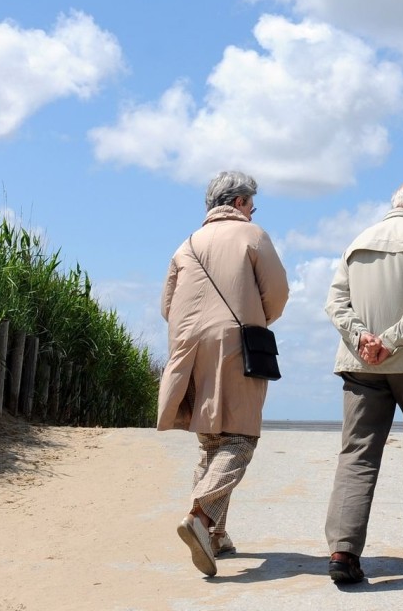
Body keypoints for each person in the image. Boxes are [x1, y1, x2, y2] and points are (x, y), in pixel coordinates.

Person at [157, 170, 290, 577]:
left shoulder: (187, 244)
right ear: (237, 203)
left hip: (188, 351)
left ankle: (214, 536)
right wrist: (254, 316)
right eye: (251, 203)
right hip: (235, 346)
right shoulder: (253, 235)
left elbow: (166, 305)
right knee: (241, 439)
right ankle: (199, 513)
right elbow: (279, 293)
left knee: (212, 443)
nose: (252, 210)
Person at [323, 181, 403, 585]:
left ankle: (343, 552)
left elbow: (335, 303)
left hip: (360, 363)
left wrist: (362, 338)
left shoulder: (356, 241)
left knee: (356, 453)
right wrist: (391, 341)